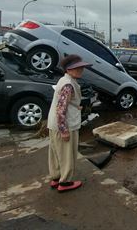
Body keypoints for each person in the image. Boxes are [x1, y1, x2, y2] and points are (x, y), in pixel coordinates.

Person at [47, 54, 92, 193]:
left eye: (81, 67)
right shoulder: (68, 84)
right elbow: (61, 109)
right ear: (68, 69)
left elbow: (64, 103)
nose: (81, 70)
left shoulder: (64, 80)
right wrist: (64, 130)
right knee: (67, 155)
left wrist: (75, 106)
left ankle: (56, 178)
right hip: (65, 125)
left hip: (54, 124)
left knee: (55, 153)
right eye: (77, 68)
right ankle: (65, 182)